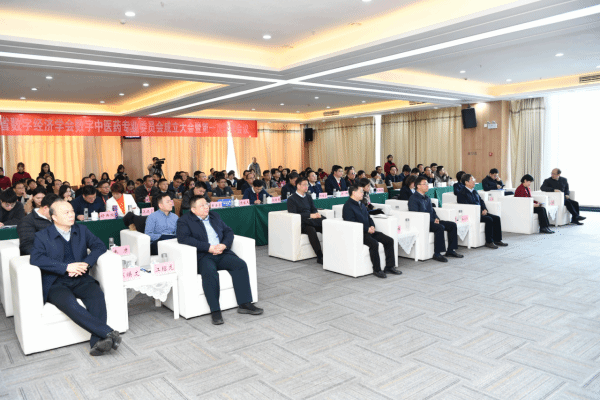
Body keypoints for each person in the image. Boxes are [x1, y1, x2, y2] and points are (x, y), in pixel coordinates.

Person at [29, 199, 122, 356]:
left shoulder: (82, 230)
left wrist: (86, 263)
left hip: (81, 279)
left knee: (97, 296)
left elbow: (99, 246)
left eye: (72, 211)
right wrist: (65, 267)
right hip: (56, 282)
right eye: (66, 212)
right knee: (70, 303)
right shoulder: (42, 236)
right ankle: (108, 332)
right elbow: (36, 258)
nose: (71, 215)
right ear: (54, 217)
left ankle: (98, 343)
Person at [176, 196, 263, 325]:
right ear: (193, 209)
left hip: (222, 252)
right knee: (210, 272)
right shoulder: (184, 220)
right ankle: (215, 310)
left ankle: (245, 304)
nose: (206, 207)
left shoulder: (214, 216)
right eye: (202, 206)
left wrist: (224, 245)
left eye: (206, 204)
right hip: (204, 255)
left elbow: (228, 231)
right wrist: (208, 247)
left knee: (240, 265)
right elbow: (184, 238)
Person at [342, 185, 400, 278]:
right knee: (374, 244)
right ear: (354, 193)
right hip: (359, 233)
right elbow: (351, 223)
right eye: (361, 191)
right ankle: (377, 270)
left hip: (369, 231)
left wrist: (372, 226)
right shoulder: (348, 206)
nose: (363, 193)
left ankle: (389, 267)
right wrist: (367, 229)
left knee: (389, 240)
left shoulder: (361, 204)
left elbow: (368, 217)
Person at [408, 176, 463, 262]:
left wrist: (436, 218)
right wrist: (432, 220)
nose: (427, 186)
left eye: (427, 184)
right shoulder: (413, 198)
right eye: (425, 184)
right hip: (423, 223)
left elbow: (432, 211)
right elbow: (416, 215)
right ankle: (437, 253)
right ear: (418, 186)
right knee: (440, 227)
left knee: (452, 225)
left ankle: (451, 250)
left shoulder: (427, 197)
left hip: (432, 220)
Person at [458, 174, 507, 248]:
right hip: (473, 214)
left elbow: (481, 201)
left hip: (480, 212)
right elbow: (467, 206)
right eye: (472, 179)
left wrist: (485, 209)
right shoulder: (462, 193)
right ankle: (489, 242)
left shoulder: (474, 191)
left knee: (497, 218)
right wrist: (480, 211)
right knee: (489, 219)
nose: (474, 181)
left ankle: (497, 240)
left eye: (473, 179)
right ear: (466, 182)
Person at [287, 177, 326, 264]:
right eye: (304, 185)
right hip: (301, 223)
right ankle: (319, 256)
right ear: (298, 186)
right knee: (310, 228)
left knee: (325, 225)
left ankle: (331, 251)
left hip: (311, 220)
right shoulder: (291, 199)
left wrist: (316, 214)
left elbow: (313, 208)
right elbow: (294, 215)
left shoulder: (308, 197)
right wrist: (310, 215)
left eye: (307, 185)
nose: (306, 187)